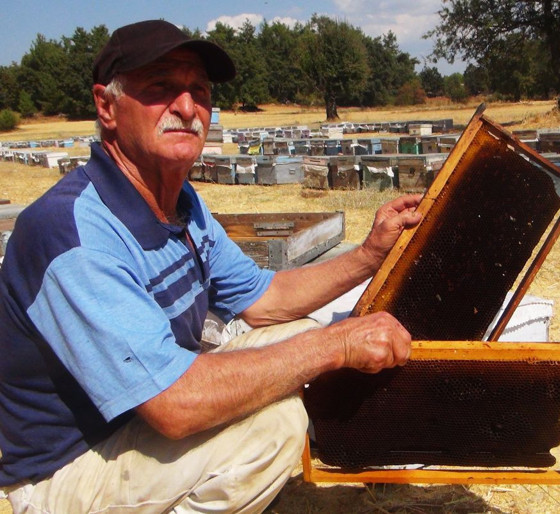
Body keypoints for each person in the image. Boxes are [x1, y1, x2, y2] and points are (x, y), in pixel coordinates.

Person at [0, 19, 422, 513]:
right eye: (161, 88)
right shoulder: (72, 234)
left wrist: (370, 254)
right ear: (106, 106)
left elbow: (266, 301)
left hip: (142, 417)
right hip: (70, 465)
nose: (186, 108)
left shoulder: (180, 203)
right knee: (273, 427)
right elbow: (175, 405)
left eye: (198, 91)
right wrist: (336, 344)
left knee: (298, 333)